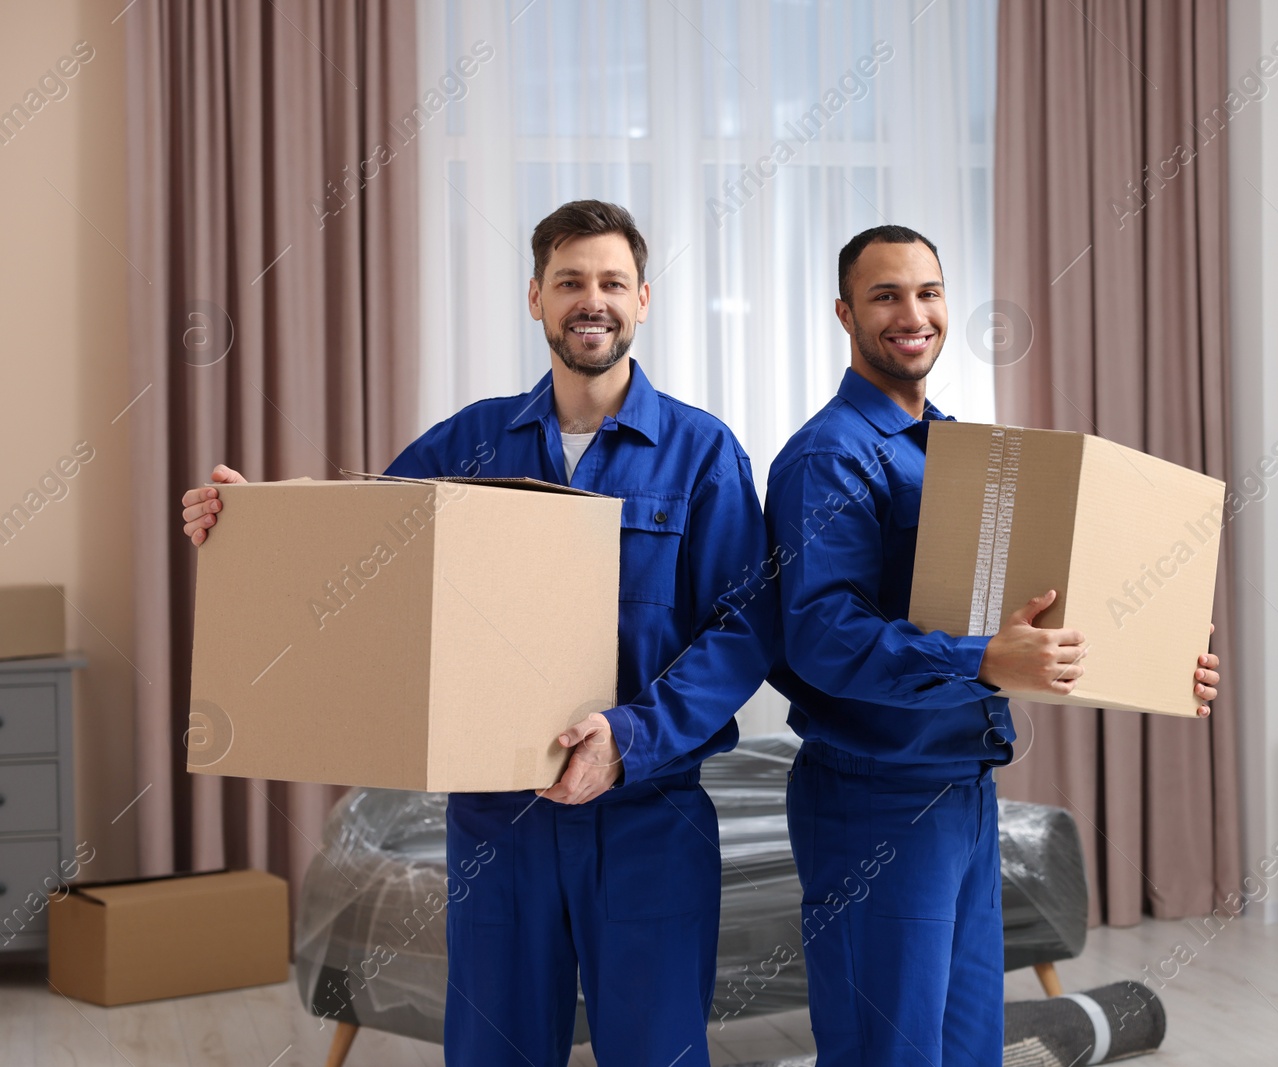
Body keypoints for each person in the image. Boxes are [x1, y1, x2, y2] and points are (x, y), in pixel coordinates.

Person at [180, 201, 773, 1067]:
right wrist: (250, 514)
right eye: (570, 281)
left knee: (658, 1053)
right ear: (535, 297)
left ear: (643, 298)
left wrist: (627, 738)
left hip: (649, 812)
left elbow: (743, 633)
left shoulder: (703, 452)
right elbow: (359, 550)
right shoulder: (470, 440)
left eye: (611, 282)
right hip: (500, 819)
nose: (591, 300)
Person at [764, 225, 1223, 1066]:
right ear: (844, 312)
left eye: (928, 292)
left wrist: (1156, 663)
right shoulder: (827, 458)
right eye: (886, 295)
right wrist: (977, 660)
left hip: (962, 792)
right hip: (875, 798)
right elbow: (821, 637)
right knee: (889, 1050)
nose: (913, 313)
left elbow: (1029, 615)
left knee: (965, 1046)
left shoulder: (965, 450)